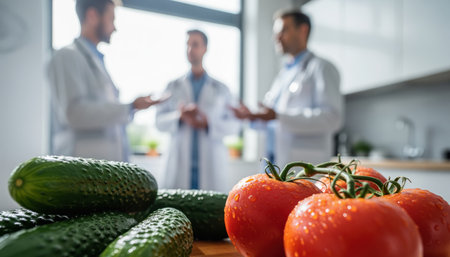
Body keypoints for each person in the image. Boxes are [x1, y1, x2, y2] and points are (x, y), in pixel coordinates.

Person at [48, 0, 163, 162]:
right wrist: (130, 106)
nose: (115, 27)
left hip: (101, 169)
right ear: (92, 16)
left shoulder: (96, 60)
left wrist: (131, 108)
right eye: (111, 19)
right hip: (80, 167)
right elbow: (74, 113)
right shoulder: (67, 56)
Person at [233, 9, 343, 167]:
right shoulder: (283, 75)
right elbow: (273, 120)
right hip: (273, 164)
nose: (276, 37)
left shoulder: (321, 68)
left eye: (283, 30)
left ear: (303, 30)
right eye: (276, 32)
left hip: (304, 166)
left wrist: (279, 116)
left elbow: (332, 118)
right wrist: (253, 117)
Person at [155, 29, 240, 192]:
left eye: (195, 44)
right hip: (179, 163)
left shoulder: (221, 89)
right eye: (187, 44)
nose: (189, 49)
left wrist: (208, 124)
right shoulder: (172, 86)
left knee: (209, 213)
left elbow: (234, 125)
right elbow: (158, 122)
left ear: (205, 49)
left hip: (210, 165)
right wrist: (179, 117)